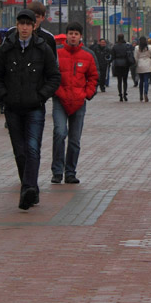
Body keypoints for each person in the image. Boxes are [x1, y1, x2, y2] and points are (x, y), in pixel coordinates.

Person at [0, 8, 60, 210]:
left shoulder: (42, 48)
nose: (25, 28)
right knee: (20, 151)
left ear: (34, 26)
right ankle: (30, 188)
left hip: (34, 107)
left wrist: (41, 95)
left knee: (32, 147)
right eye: (22, 24)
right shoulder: (6, 48)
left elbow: (54, 76)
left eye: (29, 24)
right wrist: (5, 95)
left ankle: (28, 188)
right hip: (13, 108)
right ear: (17, 25)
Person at [51, 22, 98, 185]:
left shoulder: (88, 55)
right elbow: (50, 73)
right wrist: (55, 90)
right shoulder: (57, 53)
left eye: (76, 34)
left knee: (74, 139)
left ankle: (70, 172)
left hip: (79, 101)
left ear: (80, 36)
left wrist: (87, 93)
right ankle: (57, 171)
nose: (73, 36)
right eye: (70, 33)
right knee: (60, 132)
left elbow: (93, 76)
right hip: (60, 99)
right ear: (67, 35)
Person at [110, 34, 134, 101]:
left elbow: (113, 56)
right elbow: (128, 55)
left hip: (117, 64)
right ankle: (125, 94)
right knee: (125, 80)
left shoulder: (115, 46)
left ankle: (120, 94)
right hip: (125, 63)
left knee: (119, 80)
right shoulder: (126, 46)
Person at [134, 36, 151, 102]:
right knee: (146, 80)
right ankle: (146, 92)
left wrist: (136, 64)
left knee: (141, 81)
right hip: (148, 64)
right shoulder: (150, 47)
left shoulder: (137, 48)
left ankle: (141, 95)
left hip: (140, 64)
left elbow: (135, 57)